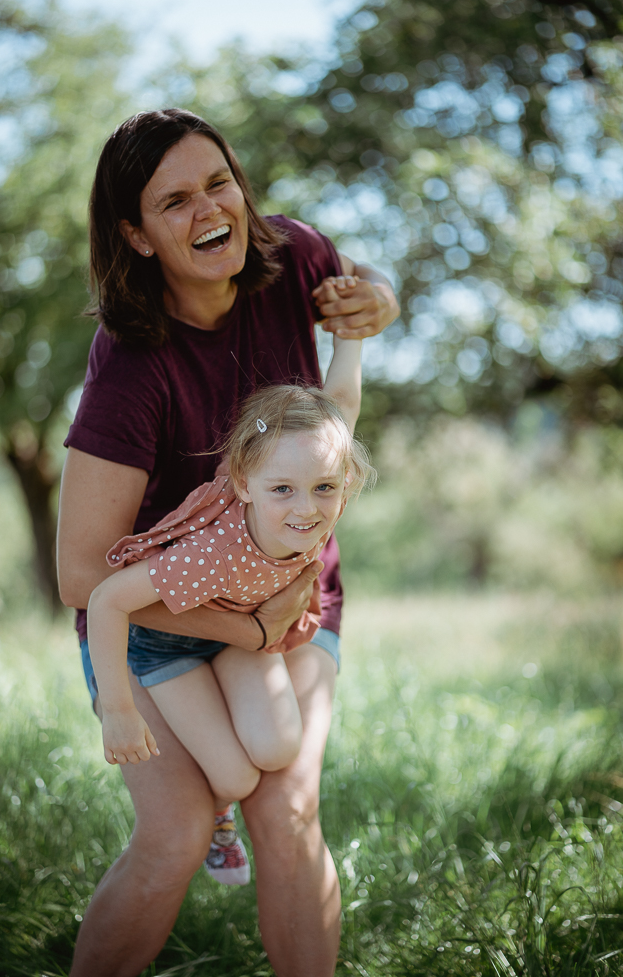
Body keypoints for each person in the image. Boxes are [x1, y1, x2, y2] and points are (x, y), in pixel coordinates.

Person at [57, 107, 399, 977]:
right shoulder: (133, 367)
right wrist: (243, 631)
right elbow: (77, 572)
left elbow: (358, 294)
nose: (212, 210)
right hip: (147, 614)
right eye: (175, 201)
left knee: (284, 806)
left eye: (219, 184)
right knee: (175, 832)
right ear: (135, 236)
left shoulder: (292, 255)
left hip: (287, 596)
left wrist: (382, 295)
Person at [87, 350, 374, 877]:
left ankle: (228, 718)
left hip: (236, 634)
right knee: (238, 778)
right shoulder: (212, 554)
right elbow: (105, 598)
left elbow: (344, 403)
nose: (305, 508)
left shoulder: (316, 497)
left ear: (345, 481)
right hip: (165, 644)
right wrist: (119, 709)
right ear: (243, 484)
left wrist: (350, 338)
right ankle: (221, 818)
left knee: (279, 745)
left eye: (324, 488)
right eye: (282, 489)